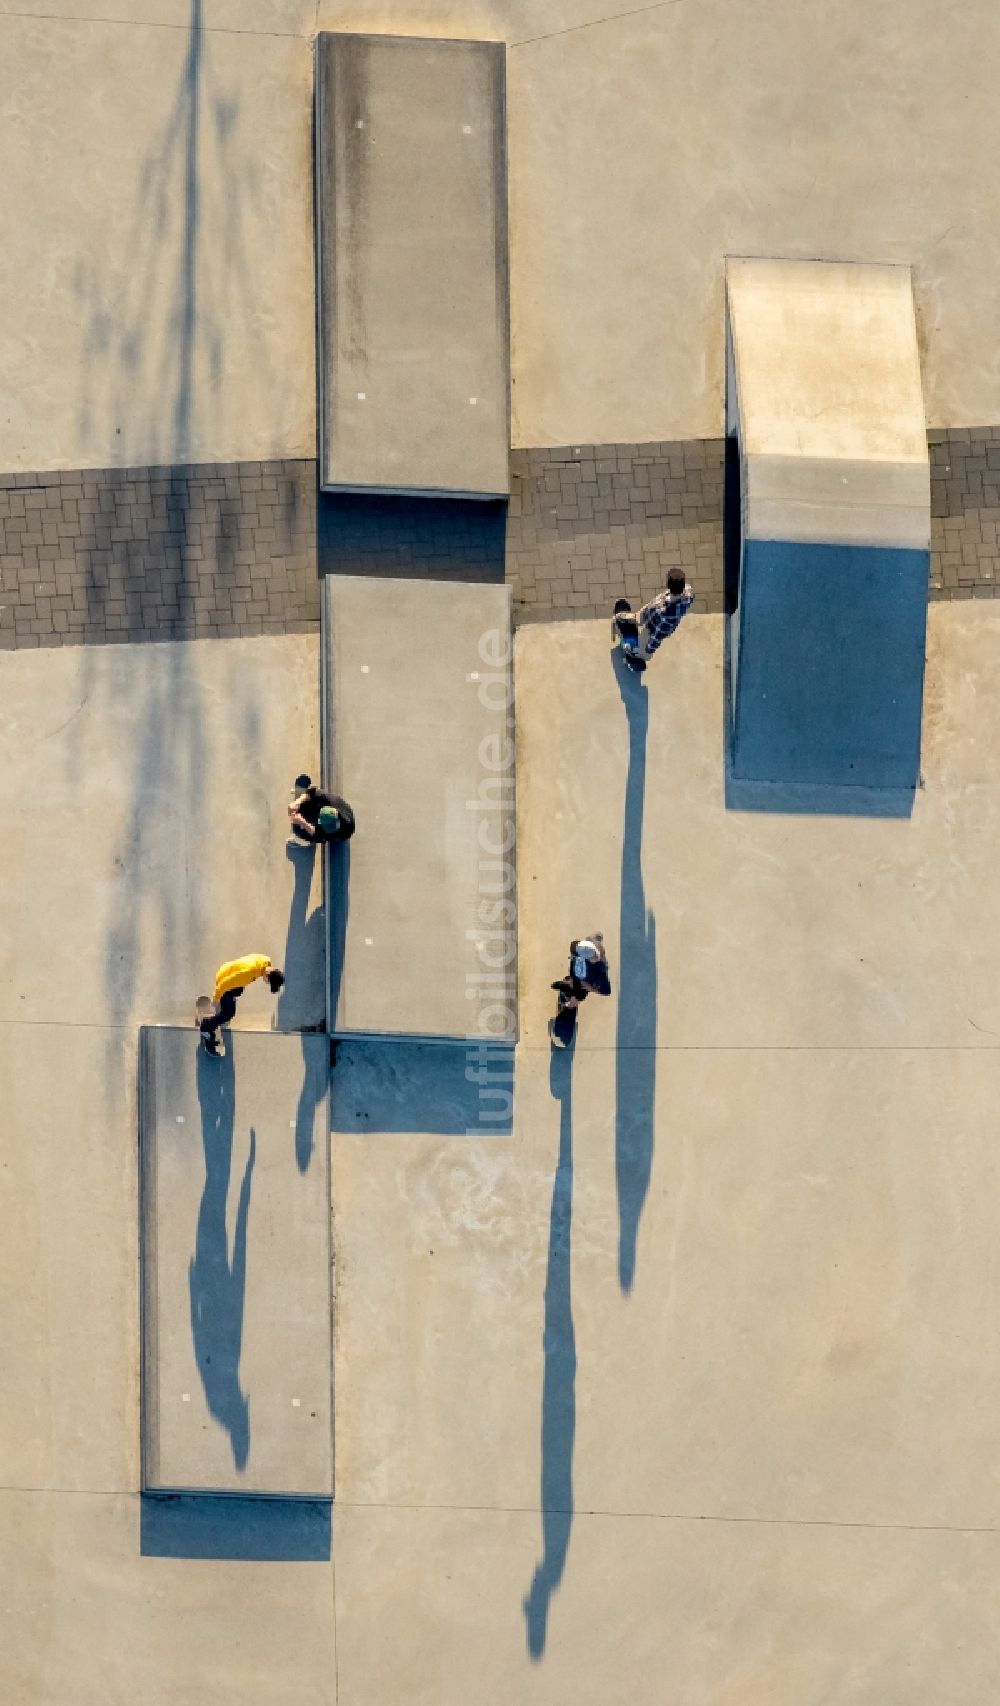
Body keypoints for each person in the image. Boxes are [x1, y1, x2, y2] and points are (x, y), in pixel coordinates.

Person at [200, 954, 285, 1055]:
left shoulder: (266, 961)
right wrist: (216, 999)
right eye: (269, 983)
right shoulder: (247, 974)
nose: (267, 984)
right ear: (267, 975)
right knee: (229, 1013)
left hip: (229, 969)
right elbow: (224, 984)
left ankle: (227, 1002)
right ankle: (206, 1027)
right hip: (223, 978)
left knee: (239, 991)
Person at [613, 572, 694, 672]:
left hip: (652, 626)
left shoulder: (665, 614)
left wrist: (649, 649)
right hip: (650, 611)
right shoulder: (688, 591)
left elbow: (657, 636)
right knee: (638, 617)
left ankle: (636, 652)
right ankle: (632, 619)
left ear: (668, 585)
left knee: (643, 645)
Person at [550, 934, 611, 1020]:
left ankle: (568, 989)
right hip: (581, 980)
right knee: (575, 998)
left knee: (575, 990)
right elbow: (606, 991)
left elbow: (607, 991)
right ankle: (568, 1002)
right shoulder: (600, 968)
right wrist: (590, 988)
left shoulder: (577, 946)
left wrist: (590, 988)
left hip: (581, 979)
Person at [287, 774, 356, 847]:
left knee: (297, 829)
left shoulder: (342, 833)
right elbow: (314, 792)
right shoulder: (332, 800)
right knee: (304, 786)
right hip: (320, 805)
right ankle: (301, 797)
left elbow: (316, 833)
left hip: (331, 831)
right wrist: (297, 802)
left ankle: (300, 840)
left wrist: (302, 822)